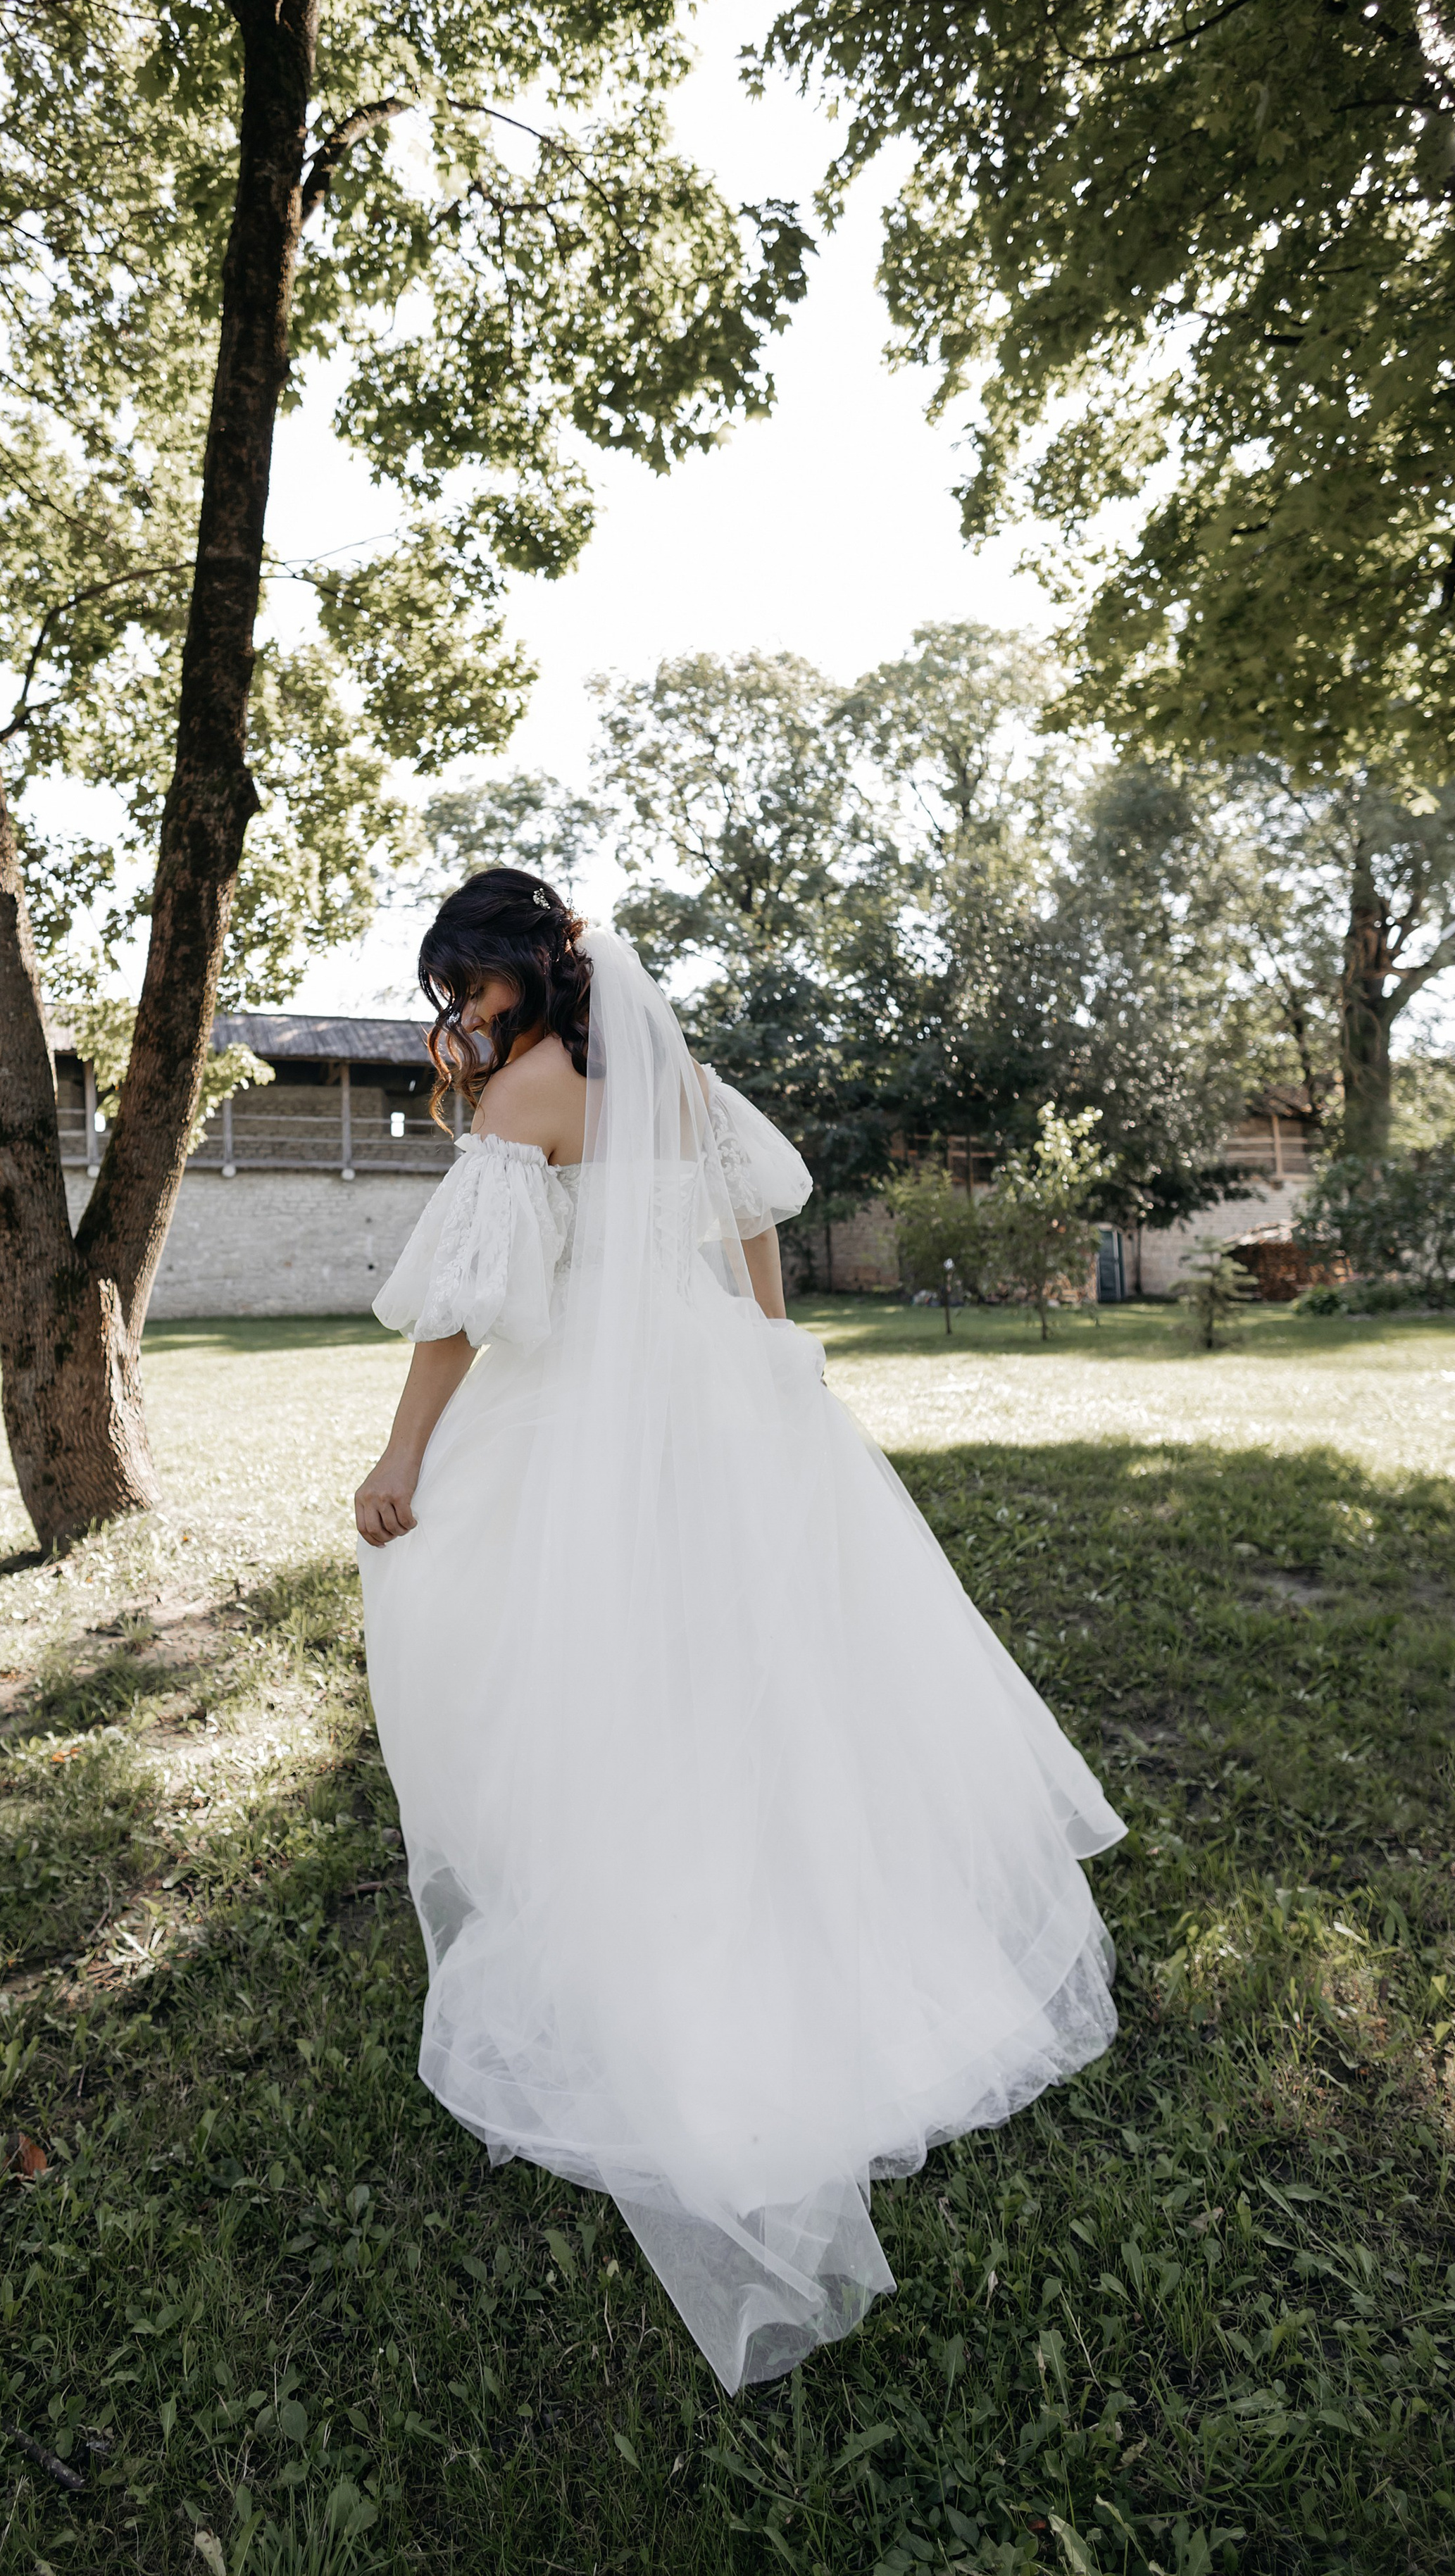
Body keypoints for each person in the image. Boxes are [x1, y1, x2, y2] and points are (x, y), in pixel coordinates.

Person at [354, 869, 1124, 2393]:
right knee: (741, 1675)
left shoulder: (527, 1094)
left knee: (601, 1678)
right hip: (713, 1395)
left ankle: (661, 1959)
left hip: (588, 1414)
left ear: (522, 973)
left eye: (470, 985)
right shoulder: (677, 1078)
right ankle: (785, 1914)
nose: (462, 1010)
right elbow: (755, 1211)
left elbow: (462, 1308)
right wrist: (768, 1349)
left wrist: (400, 1457)